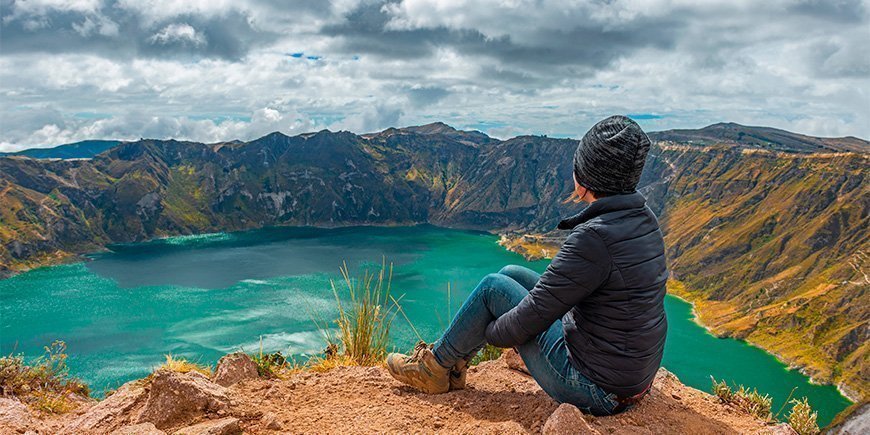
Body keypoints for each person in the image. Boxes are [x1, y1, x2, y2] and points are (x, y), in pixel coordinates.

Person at [385, 115, 668, 416]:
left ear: (585, 176)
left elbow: (529, 319)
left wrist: (489, 328)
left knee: (493, 289)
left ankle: (433, 368)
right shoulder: (642, 218)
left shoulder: (593, 237)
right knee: (510, 274)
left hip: (596, 389)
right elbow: (555, 297)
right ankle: (452, 365)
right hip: (631, 378)